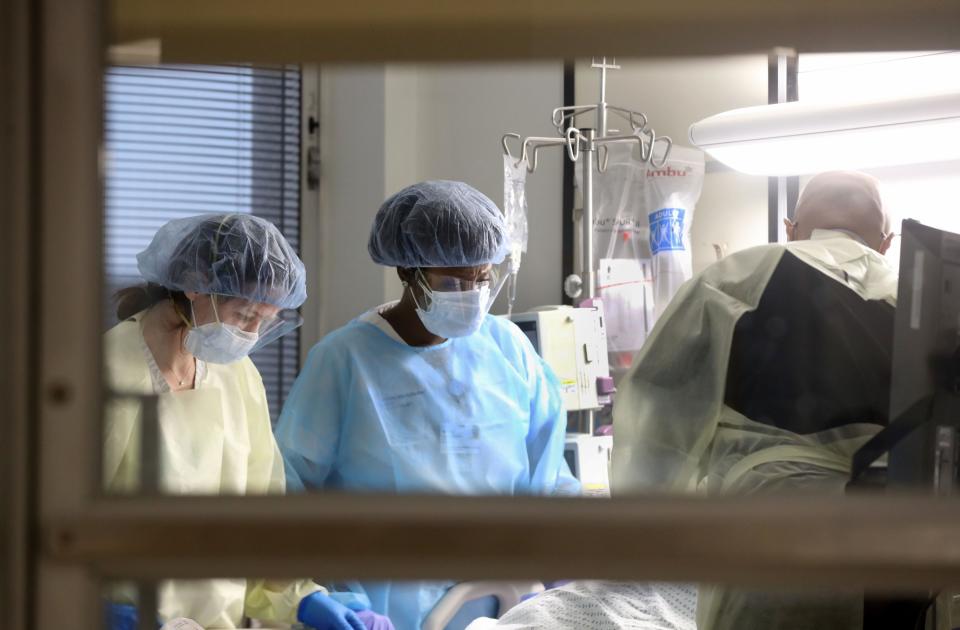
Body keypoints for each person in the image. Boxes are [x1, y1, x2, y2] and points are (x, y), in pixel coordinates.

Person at [275, 180, 580, 630]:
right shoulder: (344, 361)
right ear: (407, 272)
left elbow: (550, 476)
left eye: (482, 278)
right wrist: (332, 598)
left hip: (511, 609)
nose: (472, 294)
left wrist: (569, 561)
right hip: (385, 610)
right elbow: (289, 488)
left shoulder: (508, 349)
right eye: (453, 281)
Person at [611, 171, 898, 630]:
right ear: (886, 243)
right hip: (896, 557)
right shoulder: (921, 301)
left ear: (790, 228)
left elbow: (655, 415)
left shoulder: (735, 279)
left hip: (766, 545)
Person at [103, 213, 392, 630]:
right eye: (244, 315)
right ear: (196, 284)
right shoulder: (103, 374)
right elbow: (48, 531)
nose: (252, 335)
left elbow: (261, 521)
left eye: (265, 322)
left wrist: (301, 599)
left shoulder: (236, 376)